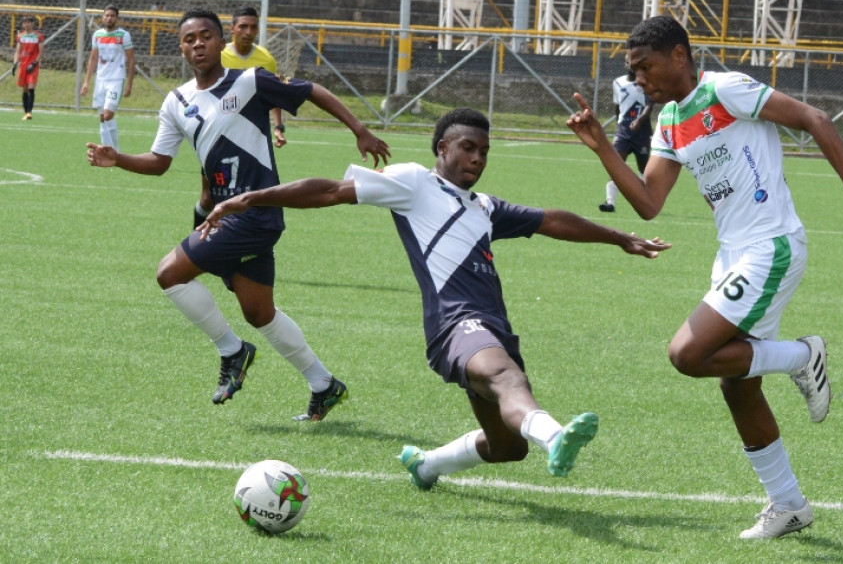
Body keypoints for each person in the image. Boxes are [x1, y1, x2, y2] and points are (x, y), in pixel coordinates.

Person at [198, 107, 670, 487]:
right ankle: (556, 436)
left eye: (484, 151)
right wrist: (250, 199)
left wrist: (618, 237)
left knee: (507, 448)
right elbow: (330, 191)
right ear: (443, 148)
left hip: (490, 327)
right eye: (468, 148)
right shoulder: (414, 183)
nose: (478, 159)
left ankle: (426, 465)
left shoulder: (486, 209)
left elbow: (552, 220)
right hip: (454, 325)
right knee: (507, 378)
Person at [566, 15, 843, 539]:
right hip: (732, 256)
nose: (639, 80)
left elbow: (814, 117)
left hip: (769, 247)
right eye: (633, 71)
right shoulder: (669, 121)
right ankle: (788, 504)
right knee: (735, 383)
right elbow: (649, 203)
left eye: (644, 66)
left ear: (679, 55)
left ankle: (802, 354)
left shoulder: (726, 90)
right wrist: (602, 147)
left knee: (685, 354)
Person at [86, 6, 391, 421]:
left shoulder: (250, 82)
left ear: (220, 41)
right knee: (258, 311)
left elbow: (311, 90)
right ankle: (324, 385)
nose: (198, 44)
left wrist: (359, 128)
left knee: (169, 274)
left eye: (206, 36)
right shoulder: (176, 102)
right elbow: (159, 162)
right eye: (190, 39)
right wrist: (117, 158)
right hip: (224, 215)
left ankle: (233, 351)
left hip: (255, 213)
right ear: (181, 48)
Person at [190, 5, 288, 229]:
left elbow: (274, 95)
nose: (248, 32)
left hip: (253, 138)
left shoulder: (265, 59)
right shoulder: (219, 55)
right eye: (243, 26)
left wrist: (278, 127)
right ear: (232, 28)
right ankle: (197, 239)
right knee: (209, 197)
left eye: (253, 27)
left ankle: (242, 246)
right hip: (219, 137)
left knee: (248, 195)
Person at [599, 56, 653, 212]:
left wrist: (639, 121)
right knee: (616, 165)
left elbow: (650, 105)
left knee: (644, 169)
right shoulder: (617, 82)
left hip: (642, 133)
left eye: (633, 62)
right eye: (627, 62)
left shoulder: (645, 82)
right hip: (623, 131)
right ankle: (610, 203)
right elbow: (617, 106)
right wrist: (619, 124)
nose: (630, 64)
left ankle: (647, 201)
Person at [81, 5, 136, 152]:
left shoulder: (123, 35)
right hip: (100, 80)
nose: (109, 18)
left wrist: (129, 84)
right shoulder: (97, 35)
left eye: (112, 15)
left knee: (108, 115)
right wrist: (86, 82)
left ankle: (116, 151)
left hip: (116, 80)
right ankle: (106, 151)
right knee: (101, 117)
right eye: (107, 15)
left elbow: (131, 60)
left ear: (117, 18)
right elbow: (93, 58)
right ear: (103, 17)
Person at [13, 15, 44, 121]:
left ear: (33, 23)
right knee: (25, 89)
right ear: (22, 24)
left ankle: (30, 112)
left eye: (29, 22)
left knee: (31, 87)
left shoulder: (38, 36)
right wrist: (15, 63)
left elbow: (41, 52)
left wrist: (35, 63)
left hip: (33, 66)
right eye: (25, 22)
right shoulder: (20, 36)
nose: (27, 24)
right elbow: (18, 50)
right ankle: (26, 112)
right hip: (23, 65)